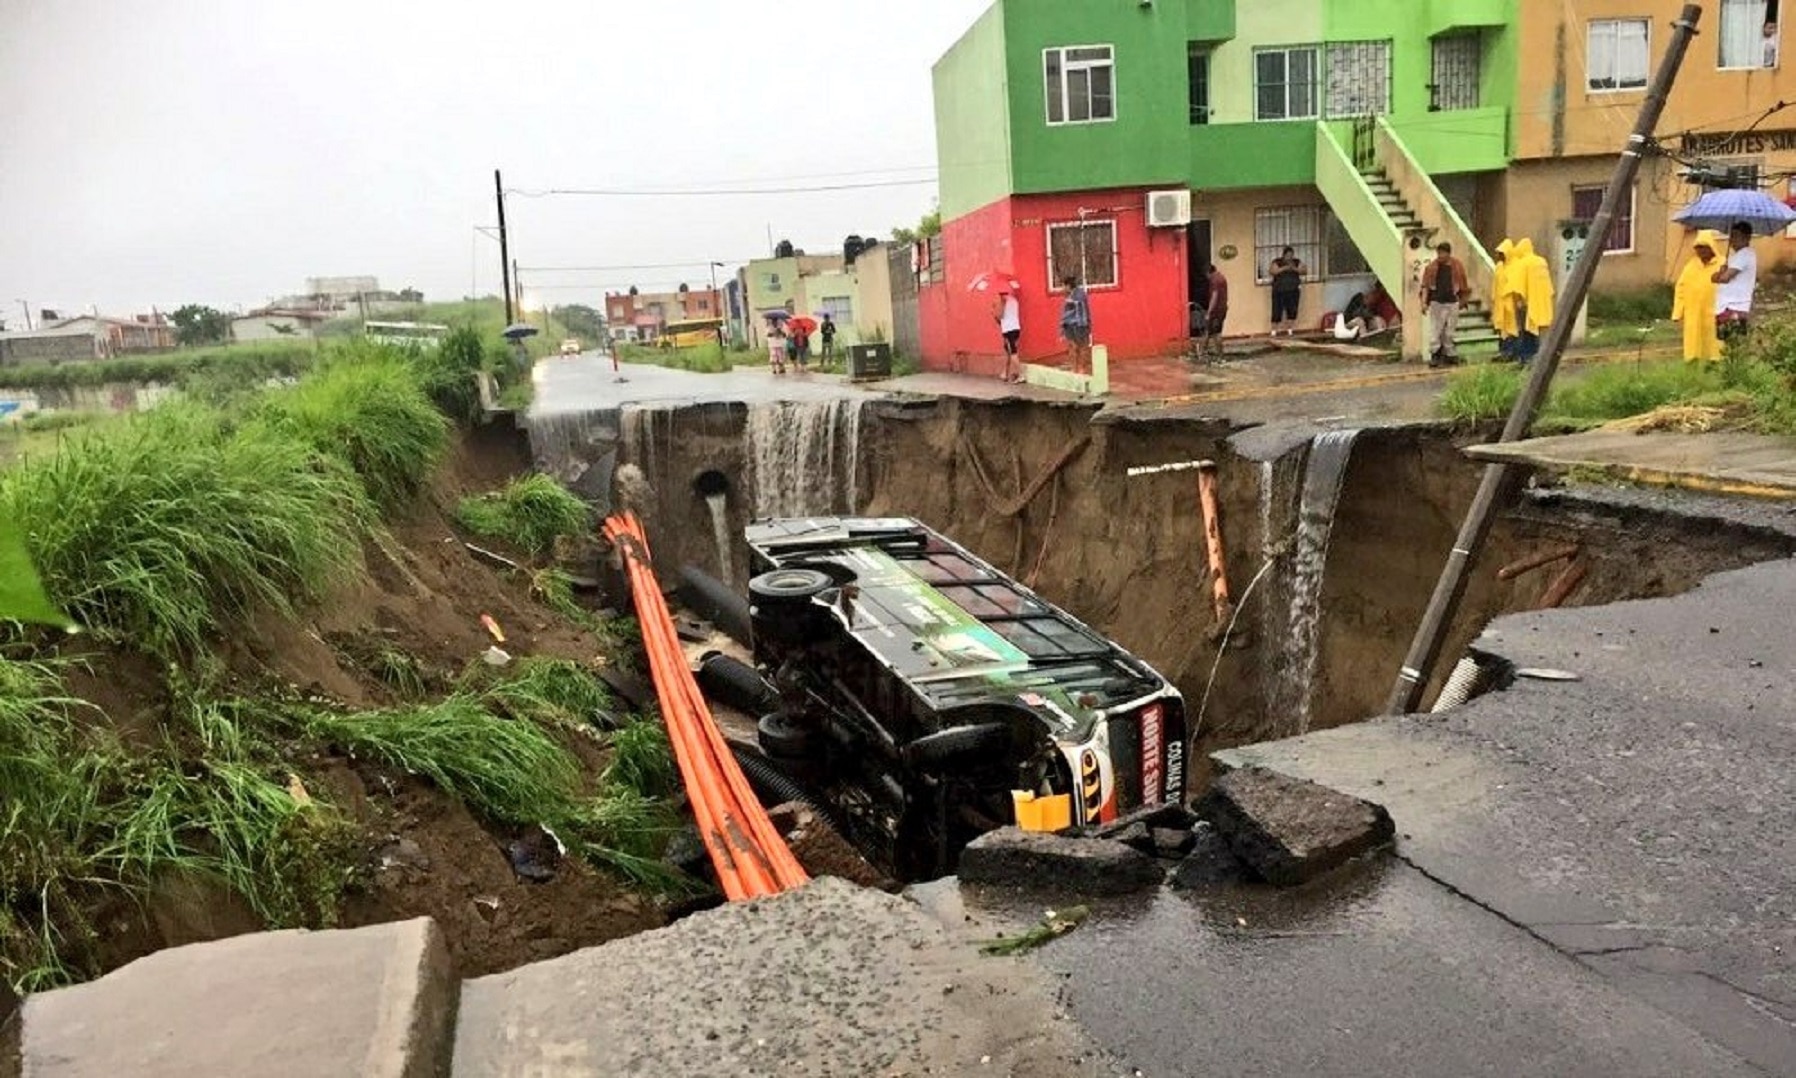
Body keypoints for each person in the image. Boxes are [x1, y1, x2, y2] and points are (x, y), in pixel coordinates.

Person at [1673, 230, 1724, 365]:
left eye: (1703, 247)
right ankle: (1692, 363)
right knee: (1693, 340)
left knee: (1714, 340)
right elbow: (1681, 288)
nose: (1700, 251)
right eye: (1697, 247)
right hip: (1694, 311)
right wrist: (1678, 312)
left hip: (1715, 311)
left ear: (1711, 247)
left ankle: (1715, 363)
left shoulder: (1722, 264)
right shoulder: (1691, 266)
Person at [1419, 241, 1469, 367]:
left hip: (1452, 302)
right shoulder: (1432, 267)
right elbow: (1425, 286)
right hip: (1437, 302)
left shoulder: (1457, 266)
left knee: (1449, 331)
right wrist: (1424, 303)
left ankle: (1450, 354)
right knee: (1436, 330)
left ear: (1448, 253)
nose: (1440, 256)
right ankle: (1435, 355)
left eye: (1442, 253)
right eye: (1439, 253)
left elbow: (1463, 284)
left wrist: (1463, 300)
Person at [1713, 221, 1759, 344]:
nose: (1732, 239)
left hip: (1735, 306)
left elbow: (1724, 278)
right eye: (1731, 235)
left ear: (1747, 237)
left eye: (1736, 235)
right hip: (1726, 305)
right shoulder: (1735, 256)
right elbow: (1713, 278)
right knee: (1727, 343)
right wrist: (1721, 272)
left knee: (1734, 343)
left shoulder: (1745, 254)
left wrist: (1722, 274)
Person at [1491, 239, 1519, 359]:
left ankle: (1511, 352)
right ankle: (1503, 352)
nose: (1499, 256)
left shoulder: (1515, 266)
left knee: (1511, 328)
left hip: (1511, 303)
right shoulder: (1499, 267)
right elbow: (1495, 283)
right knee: (1501, 328)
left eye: (1501, 253)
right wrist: (1493, 297)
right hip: (1499, 303)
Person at [1268, 246, 1305, 336]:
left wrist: (1293, 268)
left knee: (1292, 310)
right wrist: (1284, 268)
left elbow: (1303, 270)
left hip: (1293, 290)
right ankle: (1274, 330)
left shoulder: (1296, 262)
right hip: (1279, 290)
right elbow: (1273, 271)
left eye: (1291, 255)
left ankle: (1290, 329)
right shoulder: (1277, 262)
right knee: (1277, 310)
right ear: (1284, 255)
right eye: (1288, 255)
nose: (1289, 257)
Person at [1059, 276, 1092, 374]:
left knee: (1082, 347)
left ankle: (1081, 368)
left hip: (1080, 325)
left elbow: (1079, 304)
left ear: (1068, 286)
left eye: (1063, 286)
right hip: (1069, 325)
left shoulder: (1079, 293)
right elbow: (1065, 312)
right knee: (1072, 347)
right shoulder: (1068, 295)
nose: (1062, 289)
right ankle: (1074, 368)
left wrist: (1072, 301)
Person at [993, 288, 1023, 383]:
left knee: (1013, 352)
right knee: (1008, 352)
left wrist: (994, 313)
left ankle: (1021, 375)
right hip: (1016, 328)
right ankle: (1005, 373)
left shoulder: (1003, 301)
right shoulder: (1014, 300)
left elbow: (1000, 316)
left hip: (1008, 330)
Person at [1203, 264, 1229, 358]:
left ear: (1209, 273)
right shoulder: (1221, 277)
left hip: (1216, 311)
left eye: (1207, 275)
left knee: (1215, 333)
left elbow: (1214, 296)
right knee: (1210, 331)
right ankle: (1204, 351)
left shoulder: (1214, 280)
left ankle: (1219, 355)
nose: (1207, 278)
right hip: (1222, 309)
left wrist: (1209, 312)